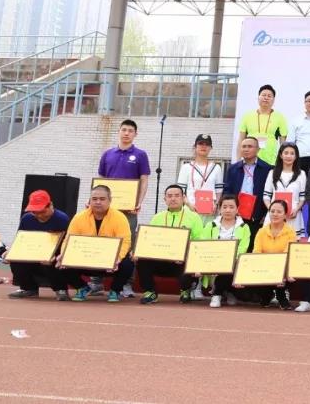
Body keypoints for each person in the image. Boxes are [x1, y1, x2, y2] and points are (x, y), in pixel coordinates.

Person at [96, 118, 150, 297]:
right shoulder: (107, 154)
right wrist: (96, 201)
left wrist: (139, 201)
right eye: (124, 130)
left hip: (129, 209)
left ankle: (126, 284)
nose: (126, 133)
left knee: (128, 243)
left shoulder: (140, 155)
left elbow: (144, 180)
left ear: (135, 134)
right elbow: (101, 181)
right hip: (107, 210)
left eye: (130, 131)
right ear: (119, 131)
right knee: (101, 240)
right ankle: (96, 281)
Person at [59, 186, 134, 302]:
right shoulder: (79, 217)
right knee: (60, 262)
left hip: (110, 262)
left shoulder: (120, 217)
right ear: (90, 200)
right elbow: (68, 240)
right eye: (94, 199)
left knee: (128, 263)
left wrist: (118, 258)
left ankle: (115, 290)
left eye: (102, 199)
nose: (98, 202)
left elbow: (126, 241)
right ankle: (82, 287)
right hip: (86, 258)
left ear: (110, 200)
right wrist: (64, 254)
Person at [137, 185, 206, 305]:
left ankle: (185, 290)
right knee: (141, 259)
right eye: (169, 196)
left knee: (190, 264)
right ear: (165, 199)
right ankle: (150, 291)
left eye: (177, 196)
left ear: (183, 198)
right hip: (160, 260)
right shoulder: (157, 217)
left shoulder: (194, 217)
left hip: (181, 262)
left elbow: (199, 243)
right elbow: (149, 241)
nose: (173, 199)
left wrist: (185, 255)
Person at [4, 190, 70, 300]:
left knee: (54, 261)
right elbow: (20, 240)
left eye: (42, 212)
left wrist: (57, 256)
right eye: (34, 212)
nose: (39, 215)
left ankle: (61, 289)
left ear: (51, 205)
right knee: (15, 259)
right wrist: (10, 252)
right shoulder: (27, 219)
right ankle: (28, 288)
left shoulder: (62, 219)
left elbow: (66, 242)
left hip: (55, 255)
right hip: (32, 254)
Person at [200, 195, 251, 308]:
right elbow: (203, 245)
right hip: (213, 262)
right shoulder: (211, 225)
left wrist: (229, 260)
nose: (228, 210)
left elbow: (243, 248)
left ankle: (228, 291)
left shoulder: (244, 227)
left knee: (246, 296)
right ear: (220, 209)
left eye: (231, 207)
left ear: (237, 209)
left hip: (234, 264)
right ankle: (217, 295)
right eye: (225, 207)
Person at [223, 137, 273, 248]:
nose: (246, 149)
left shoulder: (267, 169)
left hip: (257, 215)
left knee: (253, 246)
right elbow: (227, 191)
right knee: (235, 245)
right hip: (237, 213)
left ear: (258, 149)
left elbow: (270, 193)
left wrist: (266, 214)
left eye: (250, 146)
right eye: (243, 147)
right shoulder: (233, 168)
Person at [249, 200, 296, 310]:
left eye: (279, 212)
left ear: (285, 215)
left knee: (290, 270)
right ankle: (268, 294)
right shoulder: (261, 232)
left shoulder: (291, 232)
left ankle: (281, 296)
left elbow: (288, 253)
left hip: (283, 267)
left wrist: (278, 270)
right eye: (272, 211)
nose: (275, 214)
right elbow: (256, 252)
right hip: (265, 267)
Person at [176, 134, 224, 223]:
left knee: (207, 232)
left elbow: (219, 191)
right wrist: (189, 205)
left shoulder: (216, 168)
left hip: (209, 212)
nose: (204, 146)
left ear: (211, 148)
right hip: (190, 210)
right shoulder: (186, 167)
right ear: (195, 147)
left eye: (207, 144)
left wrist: (216, 204)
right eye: (201, 143)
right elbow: (181, 191)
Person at [262, 143, 307, 237]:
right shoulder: (272, 173)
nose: (289, 156)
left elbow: (302, 198)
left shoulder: (301, 174)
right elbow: (266, 196)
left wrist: (296, 210)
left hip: (293, 216)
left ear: (296, 156)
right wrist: (272, 210)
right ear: (281, 155)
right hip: (274, 216)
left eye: (292, 153)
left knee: (292, 242)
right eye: (286, 153)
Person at [238, 84, 288, 167]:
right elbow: (241, 140)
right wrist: (238, 161)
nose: (266, 98)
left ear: (273, 100)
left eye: (269, 96)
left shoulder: (280, 117)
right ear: (258, 97)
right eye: (263, 95)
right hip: (249, 160)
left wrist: (282, 164)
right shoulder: (247, 116)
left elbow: (283, 143)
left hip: (270, 161)